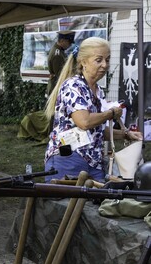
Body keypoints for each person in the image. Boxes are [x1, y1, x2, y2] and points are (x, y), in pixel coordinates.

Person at [44, 37, 143, 183]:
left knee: (99, 204)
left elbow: (96, 132)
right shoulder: (73, 86)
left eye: (107, 60)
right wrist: (111, 113)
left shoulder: (98, 91)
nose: (104, 65)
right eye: (99, 60)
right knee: (69, 205)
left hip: (93, 163)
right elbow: (84, 122)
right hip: (69, 159)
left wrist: (125, 134)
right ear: (83, 62)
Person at [46, 30, 76, 96]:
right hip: (56, 87)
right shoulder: (57, 54)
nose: (70, 45)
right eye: (69, 42)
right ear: (62, 41)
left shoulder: (59, 51)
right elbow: (60, 74)